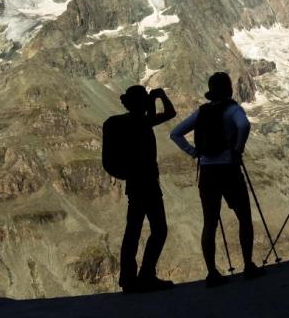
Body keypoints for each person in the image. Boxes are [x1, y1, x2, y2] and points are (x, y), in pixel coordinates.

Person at [170, 72, 264, 286]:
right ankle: (248, 265)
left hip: (207, 172)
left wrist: (193, 152)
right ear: (229, 89)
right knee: (244, 217)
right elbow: (244, 125)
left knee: (210, 222)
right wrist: (237, 149)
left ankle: (212, 272)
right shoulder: (233, 110)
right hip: (229, 169)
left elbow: (175, 133)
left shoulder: (202, 112)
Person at [102, 85, 176, 294]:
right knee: (159, 229)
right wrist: (160, 95)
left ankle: (129, 279)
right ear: (141, 103)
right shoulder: (142, 122)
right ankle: (146, 275)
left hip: (134, 185)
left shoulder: (120, 123)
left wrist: (150, 101)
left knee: (132, 231)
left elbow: (148, 116)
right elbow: (170, 113)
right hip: (149, 184)